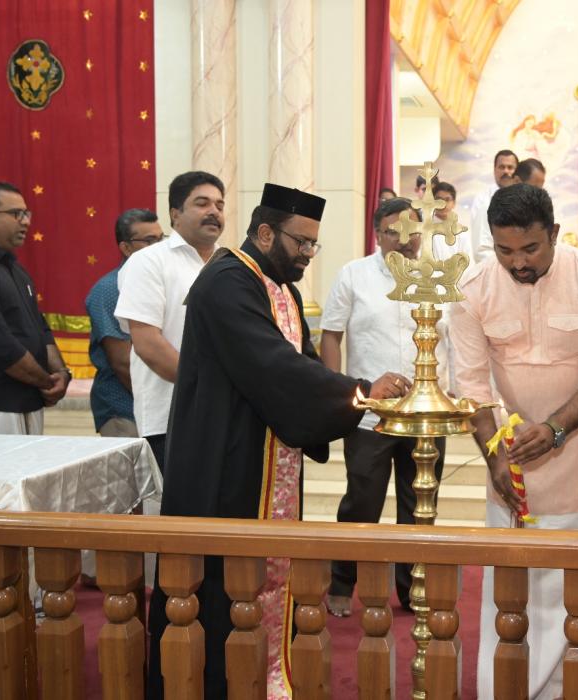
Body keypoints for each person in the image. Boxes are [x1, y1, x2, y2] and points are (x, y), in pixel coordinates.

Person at [146, 183, 408, 699]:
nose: (309, 253)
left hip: (268, 463)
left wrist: (352, 396)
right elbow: (274, 367)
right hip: (224, 466)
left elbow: (303, 364)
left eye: (314, 243)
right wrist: (359, 392)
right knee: (221, 588)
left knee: (268, 580)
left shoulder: (281, 288)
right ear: (266, 233)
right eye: (301, 242)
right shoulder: (226, 282)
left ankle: (267, 678)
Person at [450, 183, 578, 698]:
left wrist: (553, 431)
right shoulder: (474, 288)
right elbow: (472, 386)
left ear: (554, 233)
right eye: (504, 250)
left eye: (530, 248)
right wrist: (495, 459)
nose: (518, 263)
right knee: (510, 595)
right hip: (511, 468)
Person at [320, 197, 449, 616]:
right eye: (394, 231)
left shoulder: (437, 275)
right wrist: (338, 395)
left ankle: (413, 590)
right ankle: (342, 583)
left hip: (425, 415)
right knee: (362, 503)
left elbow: (452, 338)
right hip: (371, 416)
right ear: (377, 234)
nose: (405, 239)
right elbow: (332, 334)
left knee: (419, 505)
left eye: (412, 230)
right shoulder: (354, 275)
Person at [114, 171, 225, 472]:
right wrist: (210, 385)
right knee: (178, 501)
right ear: (175, 213)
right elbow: (148, 344)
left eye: (219, 204)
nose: (214, 211)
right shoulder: (148, 262)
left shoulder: (230, 264)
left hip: (225, 416)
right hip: (170, 418)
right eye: (202, 203)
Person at [0, 181, 69, 435]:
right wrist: (47, 382)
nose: (26, 222)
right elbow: (1, 346)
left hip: (28, 400)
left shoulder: (15, 269)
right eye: (16, 214)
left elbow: (41, 330)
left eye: (27, 213)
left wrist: (62, 373)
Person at [85, 209, 165, 438]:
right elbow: (122, 363)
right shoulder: (109, 289)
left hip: (156, 406)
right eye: (149, 240)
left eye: (161, 239)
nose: (159, 247)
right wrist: (157, 403)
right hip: (124, 409)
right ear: (126, 248)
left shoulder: (159, 281)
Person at [469, 148, 518, 261]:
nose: (506, 171)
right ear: (494, 170)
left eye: (510, 167)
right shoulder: (483, 200)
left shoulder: (524, 198)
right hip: (494, 267)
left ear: (517, 171)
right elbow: (481, 250)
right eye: (501, 167)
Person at [431, 181, 474, 262]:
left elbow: (467, 261)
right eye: (439, 199)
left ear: (454, 203)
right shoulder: (424, 229)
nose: (443, 204)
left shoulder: (461, 232)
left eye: (447, 199)